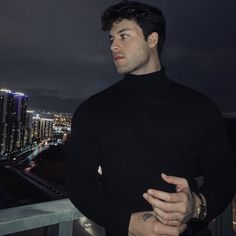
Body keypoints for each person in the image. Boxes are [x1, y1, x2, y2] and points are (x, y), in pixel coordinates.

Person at [66, 1, 235, 235]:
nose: (113, 45)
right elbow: (78, 183)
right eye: (111, 39)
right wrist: (127, 223)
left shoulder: (199, 107)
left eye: (123, 36)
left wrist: (197, 205)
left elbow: (224, 174)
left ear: (152, 39)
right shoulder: (92, 110)